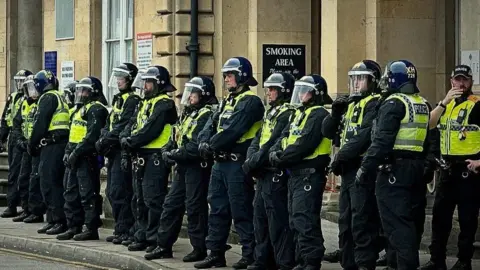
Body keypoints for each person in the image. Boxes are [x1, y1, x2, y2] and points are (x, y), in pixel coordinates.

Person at [357, 60, 430, 270]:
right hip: (415, 169)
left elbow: (382, 141)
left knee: (397, 225)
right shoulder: (421, 103)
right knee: (410, 222)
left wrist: (366, 168)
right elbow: (428, 140)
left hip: (393, 171)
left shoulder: (393, 103)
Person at [194, 57, 264, 269]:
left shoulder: (250, 101)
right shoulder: (227, 101)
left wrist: (211, 145)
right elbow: (210, 125)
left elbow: (234, 130)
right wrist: (204, 141)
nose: (225, 79)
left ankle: (249, 253)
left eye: (230, 75)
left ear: (242, 75)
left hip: (236, 164)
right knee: (217, 208)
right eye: (224, 75)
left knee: (241, 210)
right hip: (220, 164)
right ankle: (215, 252)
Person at [145, 76, 218, 261]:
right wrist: (168, 149)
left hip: (196, 167)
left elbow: (195, 146)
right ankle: (163, 246)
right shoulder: (188, 113)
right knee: (171, 205)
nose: (189, 97)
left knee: (195, 207)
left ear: (203, 94)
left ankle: (198, 248)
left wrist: (175, 154)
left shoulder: (207, 114)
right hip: (182, 166)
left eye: (193, 93)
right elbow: (176, 135)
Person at [322, 60, 383, 270]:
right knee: (345, 220)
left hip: (362, 167)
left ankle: (364, 263)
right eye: (354, 79)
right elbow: (329, 133)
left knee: (361, 219)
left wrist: (339, 158)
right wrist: (336, 113)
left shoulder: (376, 102)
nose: (356, 83)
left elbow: (363, 137)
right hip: (347, 169)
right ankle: (348, 262)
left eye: (361, 79)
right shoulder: (352, 104)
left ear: (373, 81)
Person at [268, 74, 332, 270]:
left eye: (304, 91)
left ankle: (311, 260)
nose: (300, 94)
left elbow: (304, 143)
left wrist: (281, 157)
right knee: (295, 218)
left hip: (309, 173)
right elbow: (284, 136)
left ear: (315, 94)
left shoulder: (319, 113)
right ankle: (302, 259)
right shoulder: (299, 113)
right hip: (295, 173)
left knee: (304, 217)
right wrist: (275, 151)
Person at [419, 65, 480, 270]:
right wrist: (444, 102)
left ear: (471, 82)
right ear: (451, 81)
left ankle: (464, 262)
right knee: (440, 219)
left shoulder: (477, 105)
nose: (461, 84)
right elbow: (429, 124)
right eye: (457, 80)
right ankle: (437, 260)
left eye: (465, 80)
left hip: (468, 172)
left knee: (467, 221)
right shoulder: (447, 105)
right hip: (447, 170)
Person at [120, 65, 178, 252]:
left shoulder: (164, 103)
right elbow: (132, 123)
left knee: (153, 199)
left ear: (158, 83)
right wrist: (125, 136)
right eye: (144, 82)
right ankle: (142, 235)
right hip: (140, 155)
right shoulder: (144, 102)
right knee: (139, 199)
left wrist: (131, 141)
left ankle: (154, 238)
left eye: (148, 82)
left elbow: (151, 129)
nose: (144, 86)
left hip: (155, 156)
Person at [243, 72, 296, 270]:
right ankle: (262, 260)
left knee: (277, 221)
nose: (269, 93)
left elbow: (273, 142)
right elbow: (258, 139)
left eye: (274, 89)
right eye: (269, 89)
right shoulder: (270, 112)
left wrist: (252, 162)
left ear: (285, 91)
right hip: (262, 173)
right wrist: (250, 158)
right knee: (260, 218)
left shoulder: (287, 113)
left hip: (275, 173)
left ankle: (283, 262)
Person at [57, 76, 108, 241]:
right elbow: (73, 134)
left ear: (94, 92)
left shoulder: (96, 109)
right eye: (79, 90)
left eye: (84, 90)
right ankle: (73, 226)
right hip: (74, 155)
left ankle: (91, 228)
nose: (81, 93)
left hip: (87, 157)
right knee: (70, 192)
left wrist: (76, 153)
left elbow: (92, 136)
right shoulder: (79, 109)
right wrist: (67, 151)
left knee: (88, 194)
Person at [96, 63, 140, 244]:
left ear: (130, 79)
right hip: (113, 152)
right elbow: (110, 123)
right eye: (117, 77)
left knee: (121, 192)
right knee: (113, 193)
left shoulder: (133, 99)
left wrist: (106, 140)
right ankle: (120, 228)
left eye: (121, 77)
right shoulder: (118, 99)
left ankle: (127, 230)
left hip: (123, 153)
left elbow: (123, 125)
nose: (118, 81)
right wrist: (103, 137)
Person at [27, 70, 70, 235]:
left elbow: (40, 123)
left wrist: (32, 144)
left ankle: (58, 220)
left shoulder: (47, 98)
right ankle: (52, 219)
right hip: (58, 144)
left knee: (49, 183)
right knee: (53, 183)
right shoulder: (58, 96)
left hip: (52, 145)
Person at [0, 69, 33, 218]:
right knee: (13, 173)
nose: (19, 84)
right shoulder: (12, 97)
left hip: (25, 137)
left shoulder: (31, 98)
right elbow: (5, 119)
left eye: (22, 81)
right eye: (17, 81)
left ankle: (25, 206)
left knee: (24, 173)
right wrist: (1, 138)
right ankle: (12, 204)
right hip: (14, 135)